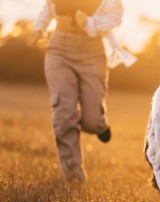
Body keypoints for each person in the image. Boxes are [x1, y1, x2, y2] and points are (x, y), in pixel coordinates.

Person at [30, 0, 136, 182]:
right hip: (59, 49)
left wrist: (90, 23)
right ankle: (73, 176)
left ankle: (99, 124)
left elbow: (116, 17)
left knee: (92, 121)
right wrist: (39, 27)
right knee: (64, 113)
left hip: (92, 52)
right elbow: (48, 7)